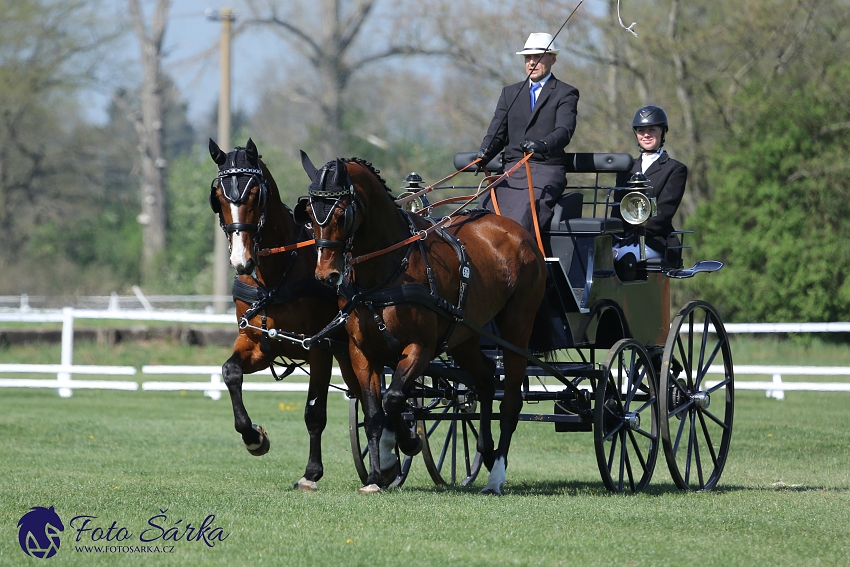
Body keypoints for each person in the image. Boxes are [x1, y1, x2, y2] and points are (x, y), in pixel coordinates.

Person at [476, 32, 579, 235]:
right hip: (511, 170)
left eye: (538, 57)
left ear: (553, 59)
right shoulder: (510, 93)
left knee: (521, 215)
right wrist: (483, 154)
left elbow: (564, 131)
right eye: (528, 58)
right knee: (484, 211)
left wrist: (543, 144)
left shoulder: (565, 92)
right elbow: (497, 132)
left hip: (545, 169)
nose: (532, 62)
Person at [614, 105, 687, 266]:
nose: (646, 135)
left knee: (624, 258)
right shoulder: (626, 168)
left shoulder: (675, 169)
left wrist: (635, 234)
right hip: (623, 238)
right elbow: (617, 209)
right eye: (641, 130)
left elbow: (663, 213)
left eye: (652, 129)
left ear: (663, 131)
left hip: (656, 240)